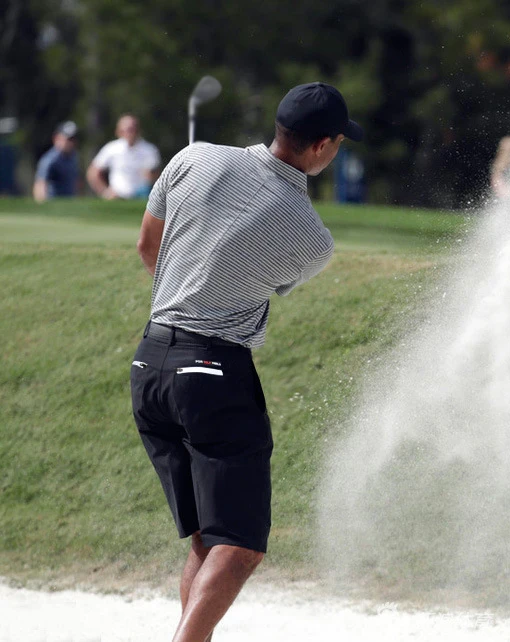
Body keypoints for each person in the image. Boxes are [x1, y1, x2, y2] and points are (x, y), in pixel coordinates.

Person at [130, 82, 362, 642]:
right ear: (323, 146)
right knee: (240, 546)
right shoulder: (311, 236)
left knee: (210, 540)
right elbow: (263, 281)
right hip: (213, 375)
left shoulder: (194, 156)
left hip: (149, 363)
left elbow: (147, 248)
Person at [87, 114, 160, 199]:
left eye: (133, 129)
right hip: (117, 196)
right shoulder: (112, 148)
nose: (131, 133)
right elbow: (93, 172)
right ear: (119, 131)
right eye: (128, 130)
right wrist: (105, 192)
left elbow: (155, 175)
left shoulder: (149, 149)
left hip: (141, 196)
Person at [33, 121, 80, 202]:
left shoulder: (73, 156)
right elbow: (40, 185)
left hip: (69, 205)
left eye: (73, 139)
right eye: (68, 139)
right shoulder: (50, 160)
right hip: (53, 205)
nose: (71, 143)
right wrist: (42, 206)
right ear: (56, 138)